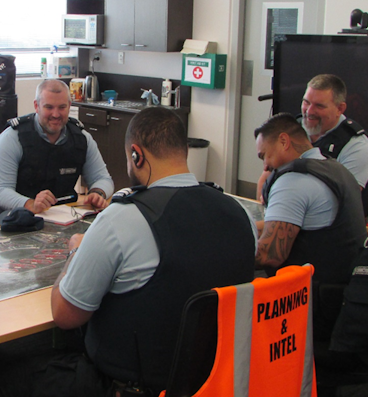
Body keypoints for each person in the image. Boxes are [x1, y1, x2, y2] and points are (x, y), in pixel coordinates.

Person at [40, 106, 257, 395]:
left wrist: (76, 252)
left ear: (136, 155)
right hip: (217, 382)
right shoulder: (240, 213)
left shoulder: (121, 219)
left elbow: (65, 315)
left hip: (129, 385)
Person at [253, 113, 367, 342]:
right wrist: (243, 224)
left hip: (311, 306)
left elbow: (270, 255)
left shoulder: (293, 181)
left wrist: (221, 251)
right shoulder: (335, 168)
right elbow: (294, 223)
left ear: (284, 141)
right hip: (345, 294)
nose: (265, 165)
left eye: (264, 155)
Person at [0, 79, 114, 215]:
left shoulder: (82, 138)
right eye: (49, 107)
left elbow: (103, 179)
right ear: (37, 106)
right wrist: (30, 204)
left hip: (62, 215)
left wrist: (97, 193)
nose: (56, 114)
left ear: (69, 106)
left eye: (62, 107)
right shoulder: (12, 138)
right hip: (14, 215)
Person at [257, 74, 368, 202]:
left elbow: (343, 201)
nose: (309, 111)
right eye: (306, 102)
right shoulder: (291, 130)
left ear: (340, 109)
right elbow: (267, 176)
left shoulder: (357, 147)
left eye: (319, 106)